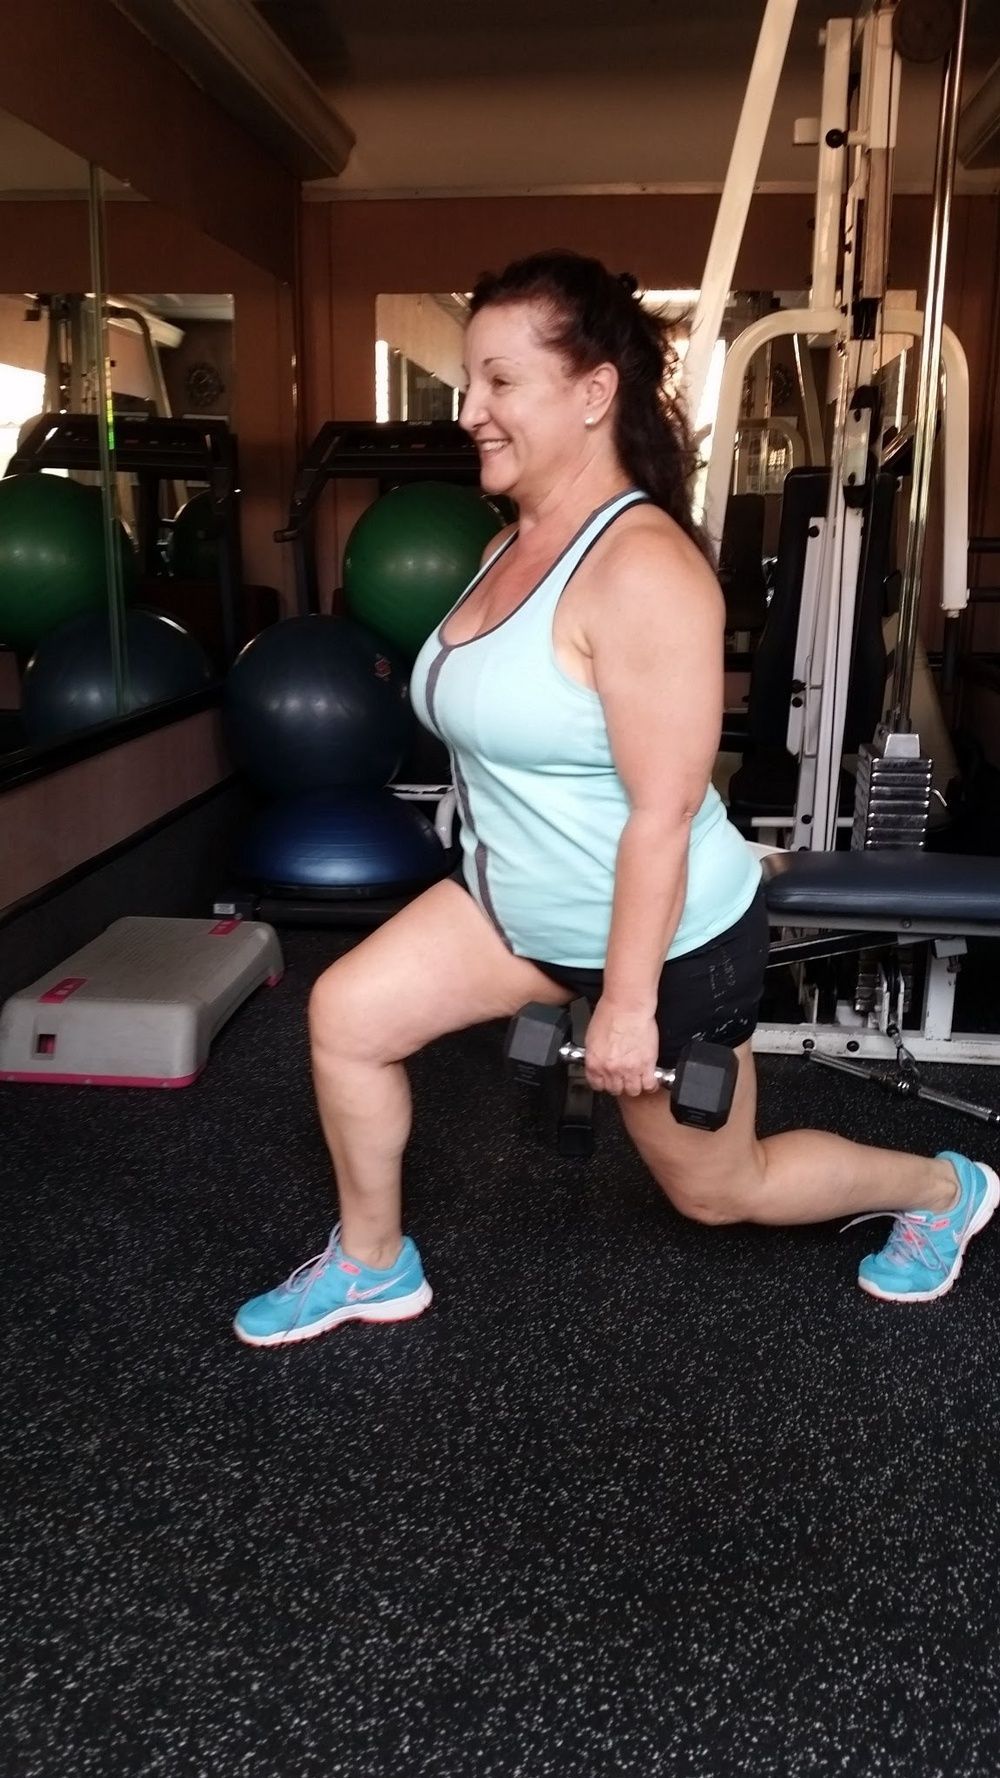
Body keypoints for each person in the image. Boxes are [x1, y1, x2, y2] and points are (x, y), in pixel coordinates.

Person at [233, 250, 998, 1346]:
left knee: (718, 1187)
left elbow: (658, 810)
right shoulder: (509, 543)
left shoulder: (642, 569)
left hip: (666, 938)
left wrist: (628, 1003)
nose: (472, 410)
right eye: (469, 381)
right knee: (348, 1015)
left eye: (501, 381)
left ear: (593, 393)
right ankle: (369, 1261)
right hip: (522, 908)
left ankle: (943, 1190)